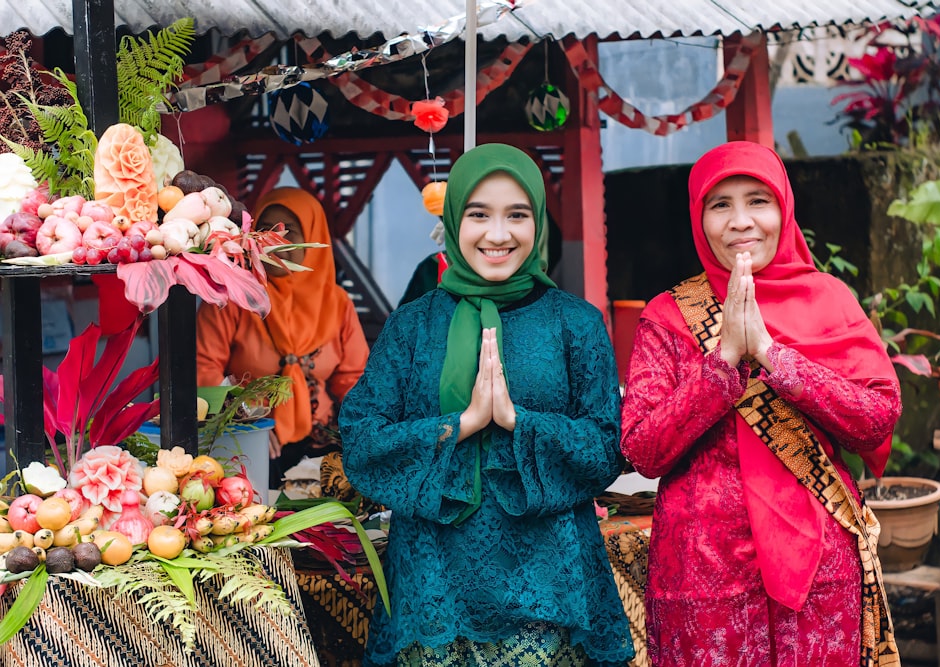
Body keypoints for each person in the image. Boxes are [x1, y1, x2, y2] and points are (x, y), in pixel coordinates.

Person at [340, 143, 634, 666]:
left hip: (546, 587)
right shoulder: (412, 326)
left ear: (538, 222)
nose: (498, 235)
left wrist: (521, 423)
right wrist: (461, 424)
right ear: (455, 221)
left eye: (516, 215)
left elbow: (607, 450)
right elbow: (361, 442)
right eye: (479, 214)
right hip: (434, 585)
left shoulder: (576, 324)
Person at [620, 141, 902, 667]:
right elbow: (643, 450)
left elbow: (876, 420)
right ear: (699, 218)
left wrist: (775, 358)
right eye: (720, 204)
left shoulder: (830, 300)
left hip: (819, 570)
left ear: (783, 209)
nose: (740, 221)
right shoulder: (668, 316)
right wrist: (723, 361)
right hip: (701, 578)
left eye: (758, 200)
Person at [196, 187, 369, 490]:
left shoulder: (338, 303)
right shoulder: (230, 296)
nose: (276, 242)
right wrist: (248, 424)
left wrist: (359, 434)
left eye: (290, 233)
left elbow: (354, 377)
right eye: (265, 230)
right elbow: (204, 368)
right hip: (248, 443)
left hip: (324, 442)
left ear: (314, 239)